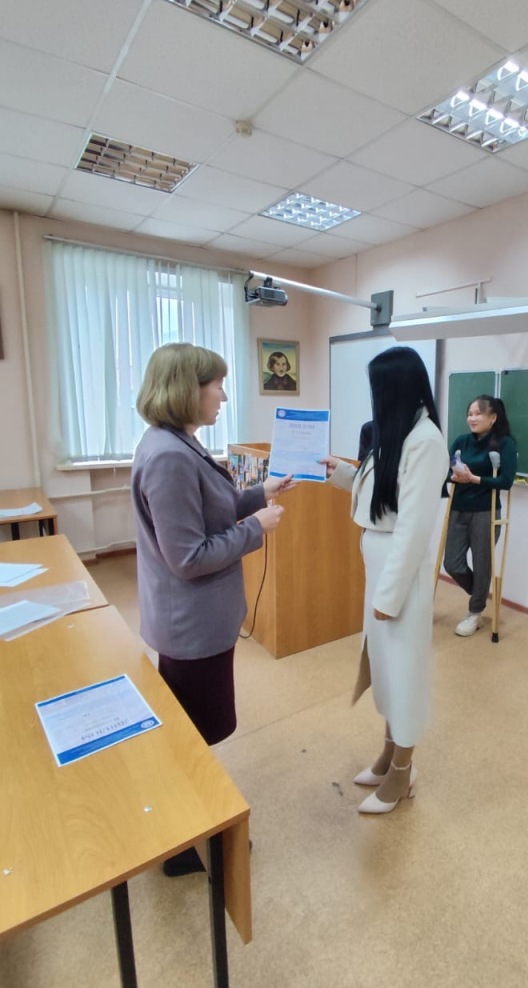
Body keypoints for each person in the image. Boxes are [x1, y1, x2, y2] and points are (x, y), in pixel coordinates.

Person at [132, 343, 295, 872]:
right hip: (191, 625)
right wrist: (255, 529)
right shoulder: (169, 458)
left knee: (192, 732)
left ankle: (185, 828)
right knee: (193, 736)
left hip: (197, 622)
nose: (223, 396)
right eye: (216, 386)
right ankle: (182, 843)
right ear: (187, 389)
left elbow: (211, 511)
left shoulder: (178, 443)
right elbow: (188, 557)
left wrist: (259, 493)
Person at [322, 346, 448, 815]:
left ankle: (402, 773)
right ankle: (389, 754)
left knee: (404, 672)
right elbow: (381, 490)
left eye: (378, 387)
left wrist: (389, 596)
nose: (373, 396)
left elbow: (414, 528)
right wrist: (340, 474)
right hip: (380, 563)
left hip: (400, 572)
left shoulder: (427, 441)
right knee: (386, 669)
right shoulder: (398, 431)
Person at [443, 396, 517, 636]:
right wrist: (454, 477)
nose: (472, 418)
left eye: (478, 414)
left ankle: (475, 611)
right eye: (470, 413)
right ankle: (480, 593)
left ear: (493, 418)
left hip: (486, 511)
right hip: (458, 507)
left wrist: (474, 479)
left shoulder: (504, 443)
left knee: (482, 562)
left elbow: (506, 481)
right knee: (452, 563)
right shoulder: (461, 442)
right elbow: (446, 469)